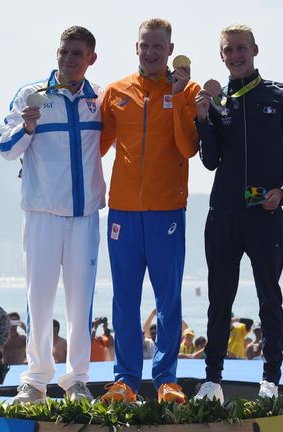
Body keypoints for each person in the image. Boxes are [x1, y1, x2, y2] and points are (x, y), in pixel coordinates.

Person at [193, 23, 283, 403]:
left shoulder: (279, 95)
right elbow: (210, 161)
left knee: (269, 299)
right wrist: (202, 120)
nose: (236, 55)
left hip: (265, 214)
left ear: (255, 50)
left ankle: (270, 380)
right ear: (222, 55)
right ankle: (212, 381)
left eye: (242, 48)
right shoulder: (216, 100)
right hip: (223, 214)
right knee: (219, 299)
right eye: (229, 50)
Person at [0, 25, 105, 404]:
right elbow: (6, 148)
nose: (68, 59)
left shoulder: (99, 100)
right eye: (63, 51)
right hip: (42, 214)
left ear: (91, 58)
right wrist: (27, 127)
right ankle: (37, 379)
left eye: (77, 53)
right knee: (38, 298)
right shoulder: (31, 95)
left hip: (84, 216)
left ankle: (77, 379)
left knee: (81, 301)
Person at [99, 18, 200, 405]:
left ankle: (166, 381)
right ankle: (124, 380)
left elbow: (188, 147)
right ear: (136, 47)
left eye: (159, 46)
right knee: (124, 300)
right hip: (123, 213)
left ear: (170, 50)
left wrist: (175, 97)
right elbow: (97, 146)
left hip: (167, 212)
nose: (152, 52)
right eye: (146, 45)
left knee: (168, 299)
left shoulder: (186, 90)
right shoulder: (116, 91)